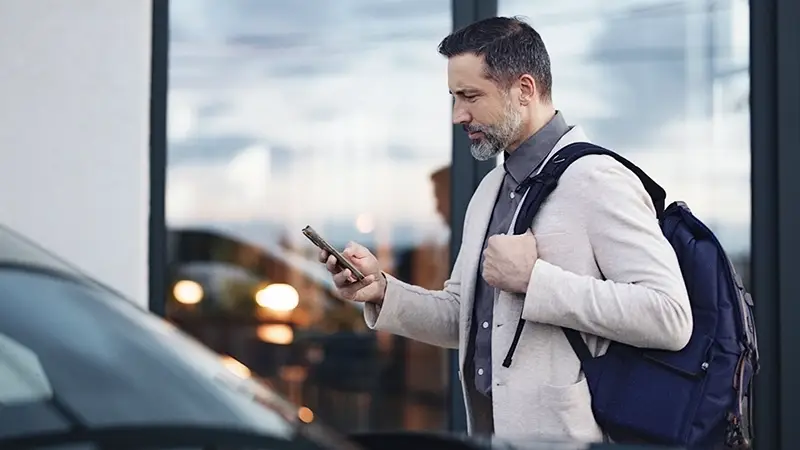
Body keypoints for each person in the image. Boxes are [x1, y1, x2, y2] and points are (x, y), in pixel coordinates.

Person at [318, 16, 692, 442]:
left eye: (471, 96)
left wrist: (535, 282)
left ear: (525, 90)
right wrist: (383, 290)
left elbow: (670, 316)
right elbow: (464, 316)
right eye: (454, 98)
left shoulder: (597, 180)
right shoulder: (490, 189)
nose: (459, 115)